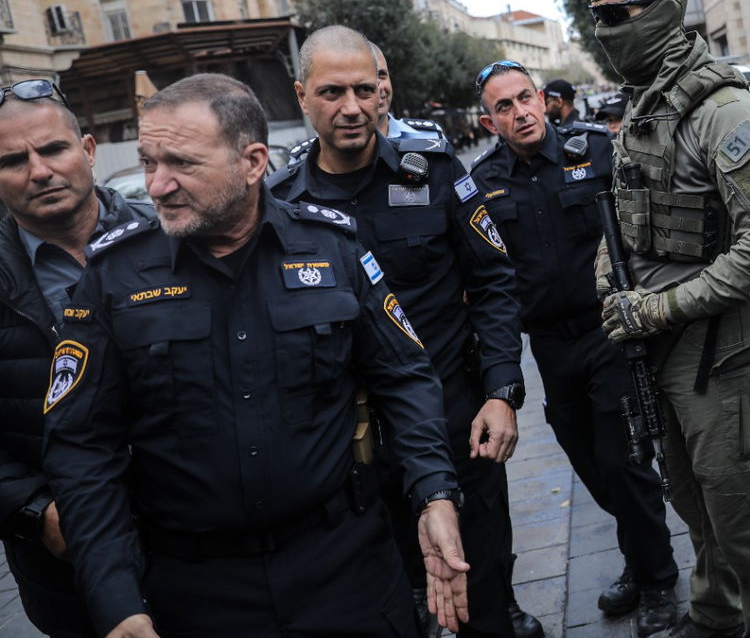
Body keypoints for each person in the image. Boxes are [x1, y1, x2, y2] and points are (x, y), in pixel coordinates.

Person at [43, 73, 471, 638]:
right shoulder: (113, 277)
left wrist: (434, 494)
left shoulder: (333, 248)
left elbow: (405, 377)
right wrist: (118, 600)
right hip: (195, 593)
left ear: (252, 162)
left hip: (347, 571)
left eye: (182, 164)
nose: (158, 186)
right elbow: (81, 448)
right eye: (149, 163)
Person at [269, 27, 534, 638]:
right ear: (302, 95)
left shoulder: (434, 172)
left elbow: (493, 280)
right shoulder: (279, 206)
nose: (353, 107)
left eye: (365, 88)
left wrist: (500, 390)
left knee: (482, 593)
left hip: (457, 426)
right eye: (333, 92)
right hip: (346, 459)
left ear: (382, 90)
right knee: (388, 608)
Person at [589, 0, 750, 638]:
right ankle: (717, 616)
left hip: (723, 347)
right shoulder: (647, 111)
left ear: (664, 10)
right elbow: (625, 224)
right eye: (596, 19)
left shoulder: (729, 114)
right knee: (692, 501)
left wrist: (657, 307)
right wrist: (609, 283)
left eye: (617, 15)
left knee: (742, 511)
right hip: (661, 345)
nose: (605, 32)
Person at [471, 63, 679, 636]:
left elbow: (642, 225)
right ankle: (640, 559)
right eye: (504, 108)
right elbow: (492, 280)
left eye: (525, 99)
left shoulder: (595, 150)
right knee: (592, 467)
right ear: (490, 120)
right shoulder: (483, 181)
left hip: (608, 335)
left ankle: (659, 580)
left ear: (542, 99)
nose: (520, 113)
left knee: (624, 461)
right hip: (549, 351)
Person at [0, 81, 155, 638]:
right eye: (13, 160)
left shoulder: (171, 239)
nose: (38, 171)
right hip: (67, 578)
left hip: (202, 553)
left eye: (54, 149)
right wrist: (33, 511)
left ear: (88, 150)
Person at [370, 42, 447, 141]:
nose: (378, 87)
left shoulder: (431, 137)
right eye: (365, 80)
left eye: (382, 74)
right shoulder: (345, 150)